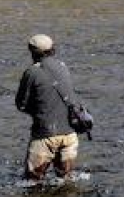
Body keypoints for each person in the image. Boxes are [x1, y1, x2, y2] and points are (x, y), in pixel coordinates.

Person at [15, 34, 82, 181]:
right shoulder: (63, 67)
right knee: (66, 181)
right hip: (70, 135)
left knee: (32, 183)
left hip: (45, 136)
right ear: (52, 49)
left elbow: (21, 105)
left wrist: (36, 110)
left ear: (32, 52)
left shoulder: (31, 72)